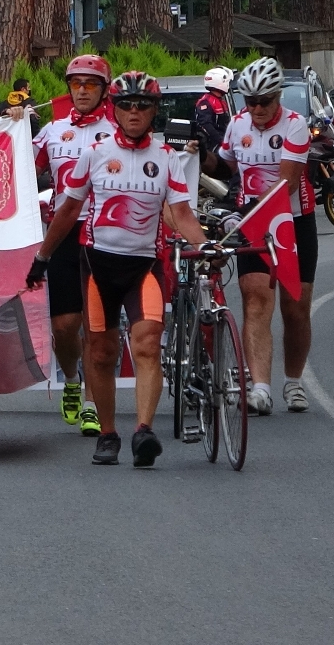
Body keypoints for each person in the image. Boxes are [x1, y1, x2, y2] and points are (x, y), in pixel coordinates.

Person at [26, 71, 210, 468]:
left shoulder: (166, 158)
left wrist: (203, 244)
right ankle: (107, 434)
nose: (134, 112)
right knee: (103, 352)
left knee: (146, 344)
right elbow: (69, 208)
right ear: (115, 108)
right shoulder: (94, 153)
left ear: (154, 112)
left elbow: (181, 213)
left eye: (143, 105)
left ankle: (143, 430)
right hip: (98, 265)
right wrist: (43, 256)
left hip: (143, 267)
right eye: (126, 104)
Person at [210, 57, 317, 415]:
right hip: (251, 221)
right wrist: (195, 152)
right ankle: (260, 388)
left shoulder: (295, 125)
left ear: (277, 97)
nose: (256, 108)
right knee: (255, 300)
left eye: (264, 101)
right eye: (249, 101)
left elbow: (285, 186)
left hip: (291, 222)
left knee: (295, 307)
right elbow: (224, 164)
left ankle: (293, 381)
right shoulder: (236, 124)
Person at [30, 54, 117, 437]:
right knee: (65, 326)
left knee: (97, 327)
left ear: (104, 90)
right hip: (63, 234)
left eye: (90, 84)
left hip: (105, 236)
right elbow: (14, 165)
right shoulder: (52, 130)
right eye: (76, 84)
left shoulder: (119, 129)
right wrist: (11, 127)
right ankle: (70, 379)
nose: (82, 91)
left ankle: (95, 408)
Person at [194, 67, 234, 158]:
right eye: (227, 81)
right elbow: (206, 125)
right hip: (213, 146)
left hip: (223, 143)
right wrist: (221, 141)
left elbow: (225, 124)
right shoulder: (205, 102)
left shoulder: (220, 101)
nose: (228, 84)